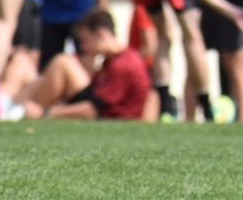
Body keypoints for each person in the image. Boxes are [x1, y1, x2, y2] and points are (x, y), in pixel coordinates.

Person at [16, 8, 156, 121]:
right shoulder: (114, 59)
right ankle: (15, 108)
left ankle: (23, 110)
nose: (83, 47)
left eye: (86, 40)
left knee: (62, 63)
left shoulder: (124, 64)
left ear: (101, 35)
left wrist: (45, 113)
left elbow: (93, 109)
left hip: (106, 118)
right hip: (101, 111)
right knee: (36, 73)